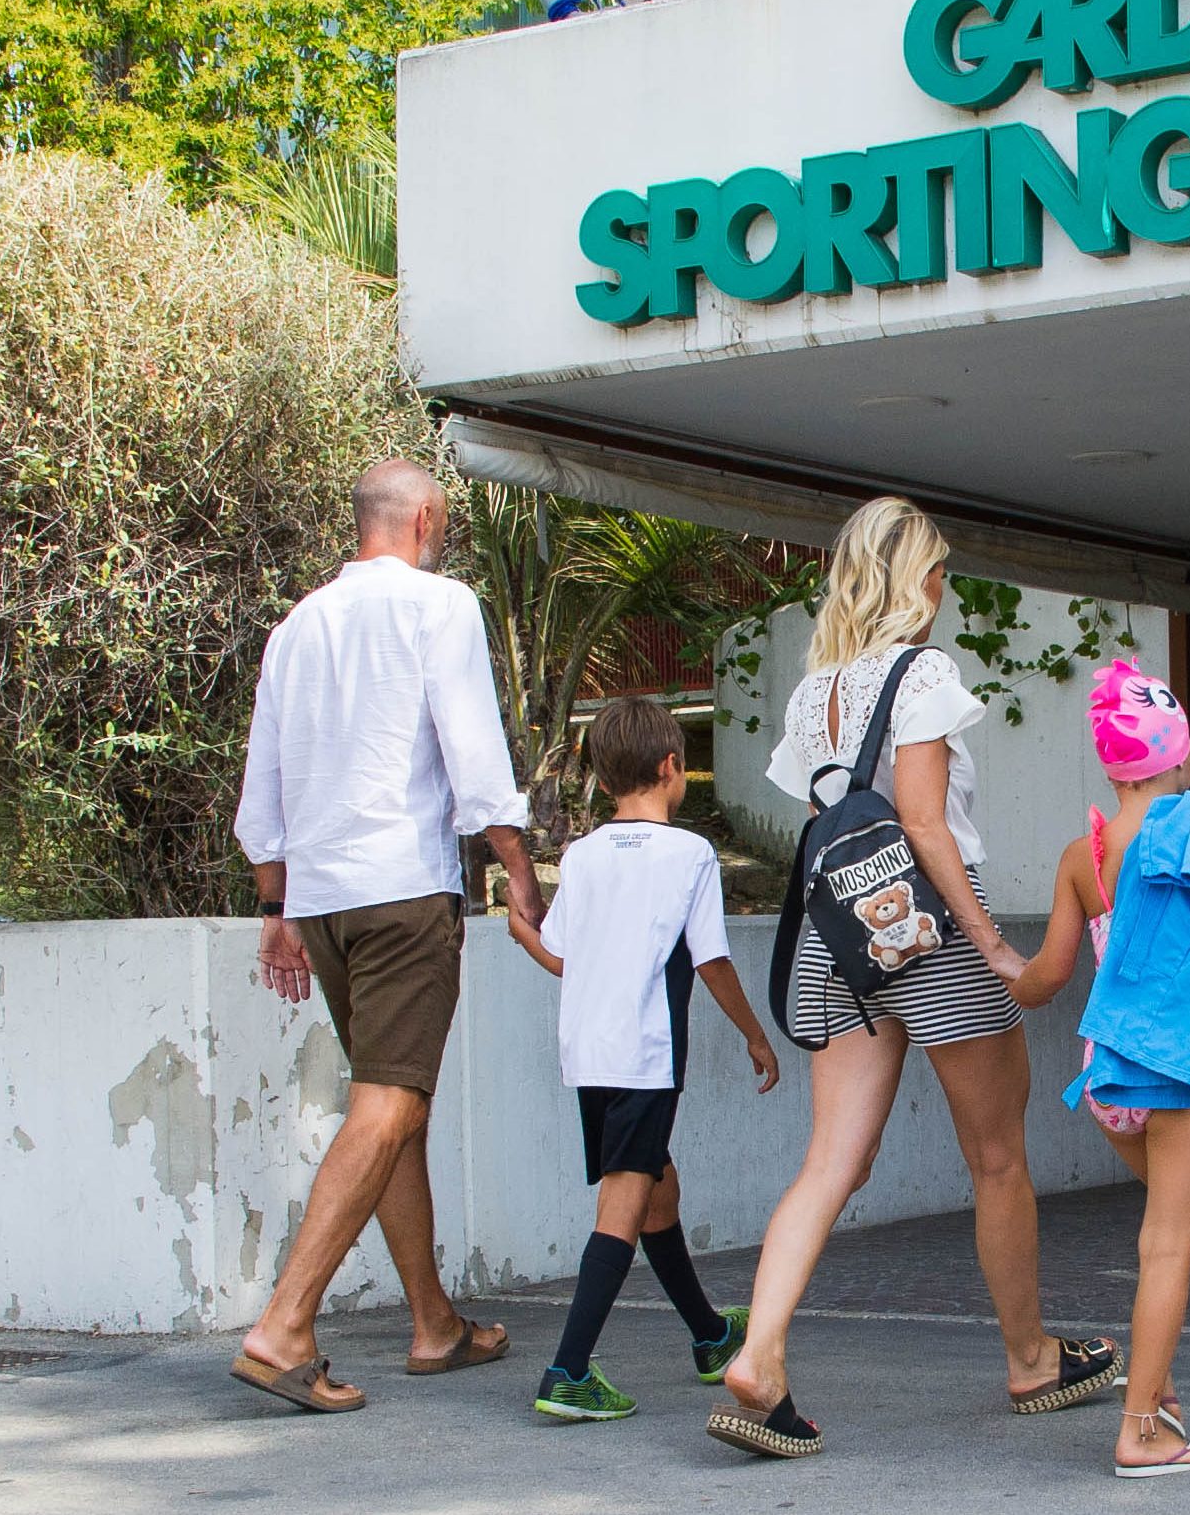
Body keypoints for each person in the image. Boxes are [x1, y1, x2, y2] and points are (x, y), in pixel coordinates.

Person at [707, 496, 1119, 1459]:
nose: (942, 591)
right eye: (937, 573)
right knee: (997, 1157)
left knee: (829, 1161)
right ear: (913, 581)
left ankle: (759, 1358)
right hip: (927, 926)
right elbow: (925, 824)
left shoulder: (817, 692)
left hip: (839, 937)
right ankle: (1029, 1359)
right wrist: (992, 944)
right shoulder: (923, 670)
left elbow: (817, 816)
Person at [229, 458, 546, 1415]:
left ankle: (433, 1325)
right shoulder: (438, 604)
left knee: (393, 1102)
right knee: (390, 1104)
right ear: (427, 520)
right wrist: (518, 864)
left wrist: (274, 906)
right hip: (402, 890)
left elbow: (265, 775)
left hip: (322, 901)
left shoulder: (299, 624)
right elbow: (471, 742)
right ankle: (284, 1326)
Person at [1004, 658, 1190, 1478]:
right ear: (1179, 756)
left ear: (1112, 765)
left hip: (1109, 1075)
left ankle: (1159, 1384)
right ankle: (1141, 1430)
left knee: (1159, 1233)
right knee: (1168, 1247)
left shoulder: (1084, 853)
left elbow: (1045, 979)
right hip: (1184, 1069)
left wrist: (991, 957)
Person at [504, 697, 781, 1422]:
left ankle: (710, 1335)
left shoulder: (582, 854)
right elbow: (711, 959)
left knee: (657, 1188)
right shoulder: (689, 854)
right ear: (670, 767)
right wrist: (755, 1035)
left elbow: (560, 958)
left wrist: (517, 931)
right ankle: (567, 1371)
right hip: (646, 1055)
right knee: (624, 1206)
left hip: (590, 1055)